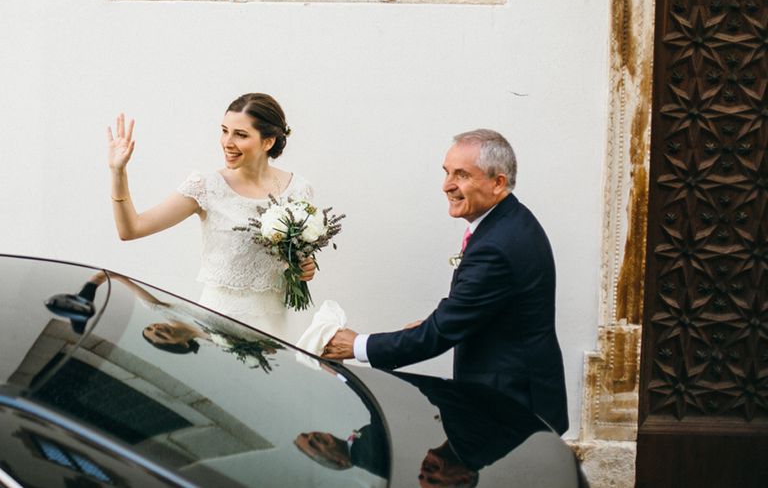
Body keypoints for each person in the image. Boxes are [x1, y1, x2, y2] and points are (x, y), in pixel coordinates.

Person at [323, 129, 569, 435]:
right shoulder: (507, 221)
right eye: (447, 173)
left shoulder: (498, 244)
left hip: (512, 402)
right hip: (517, 391)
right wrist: (436, 322)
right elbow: (477, 308)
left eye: (462, 175)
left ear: (498, 182)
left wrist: (359, 345)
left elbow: (441, 332)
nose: (447, 186)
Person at [107, 92, 316, 341]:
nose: (227, 142)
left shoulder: (299, 189)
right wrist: (118, 172)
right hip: (215, 326)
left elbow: (297, 257)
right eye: (224, 130)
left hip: (273, 325)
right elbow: (131, 229)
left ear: (267, 142)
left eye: (240, 134)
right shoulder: (206, 186)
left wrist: (305, 267)